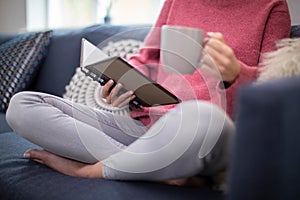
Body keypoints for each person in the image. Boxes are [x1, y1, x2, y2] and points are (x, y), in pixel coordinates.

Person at [6, 0, 290, 189]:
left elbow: (274, 90)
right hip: (145, 126)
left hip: (205, 133)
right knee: (23, 105)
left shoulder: (271, 6)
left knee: (203, 116)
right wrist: (121, 81)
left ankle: (93, 169)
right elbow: (146, 58)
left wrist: (235, 74)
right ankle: (164, 169)